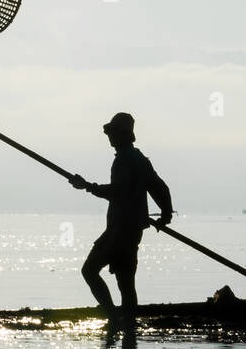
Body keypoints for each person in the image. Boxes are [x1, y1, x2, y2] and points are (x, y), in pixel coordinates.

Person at [70, 112, 172, 321]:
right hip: (132, 231)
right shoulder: (140, 159)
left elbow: (119, 191)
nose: (110, 136)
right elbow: (160, 188)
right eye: (109, 132)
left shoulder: (126, 159)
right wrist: (165, 214)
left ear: (125, 135)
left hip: (119, 231)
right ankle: (127, 328)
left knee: (89, 271)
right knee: (126, 284)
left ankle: (114, 318)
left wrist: (87, 186)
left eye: (113, 132)